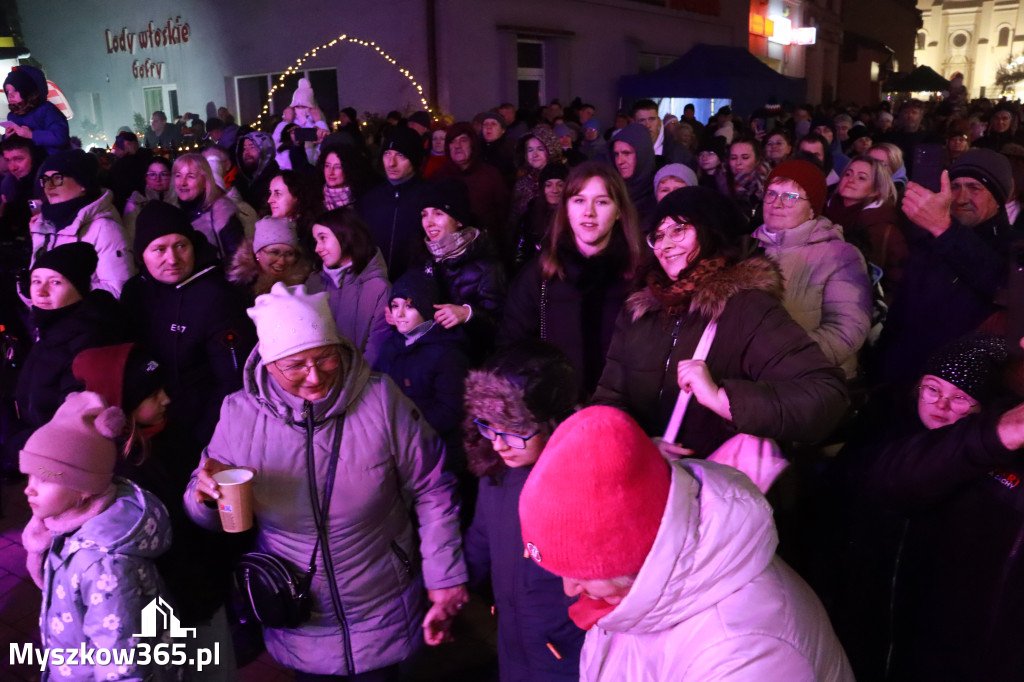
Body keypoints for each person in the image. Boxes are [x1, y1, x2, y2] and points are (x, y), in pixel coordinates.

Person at [185, 282, 469, 680]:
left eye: (325, 358)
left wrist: (445, 576)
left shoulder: (381, 401)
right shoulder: (239, 415)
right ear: (268, 365)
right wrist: (205, 499)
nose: (315, 377)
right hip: (299, 610)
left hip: (382, 601)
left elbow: (432, 487)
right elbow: (210, 507)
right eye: (296, 365)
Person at [517, 405, 854, 681]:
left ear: (633, 557)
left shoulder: (748, 656)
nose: (569, 589)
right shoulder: (638, 588)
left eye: (579, 570)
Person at [594, 186, 848, 454]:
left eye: (678, 230)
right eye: (657, 235)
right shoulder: (639, 310)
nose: (664, 245)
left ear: (710, 232)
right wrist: (640, 444)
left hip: (716, 481)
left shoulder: (746, 309)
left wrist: (721, 399)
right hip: (649, 477)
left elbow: (826, 397)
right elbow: (609, 399)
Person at [832, 333, 1024, 680]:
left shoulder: (983, 467)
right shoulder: (885, 432)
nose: (940, 405)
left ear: (984, 409)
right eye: (932, 389)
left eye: (961, 398)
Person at [20, 391, 176, 682]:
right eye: (29, 476)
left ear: (83, 487)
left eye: (44, 478)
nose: (29, 489)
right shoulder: (64, 528)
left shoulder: (103, 563)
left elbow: (119, 660)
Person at [461, 341, 585, 681]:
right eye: (489, 426)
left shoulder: (583, 485)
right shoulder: (496, 474)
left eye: (515, 431)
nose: (498, 443)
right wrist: (452, 592)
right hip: (514, 645)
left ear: (553, 420)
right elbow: (481, 540)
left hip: (567, 656)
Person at [120, 201, 256, 451]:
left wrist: (202, 438)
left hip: (198, 431)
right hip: (145, 428)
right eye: (159, 249)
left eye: (181, 246)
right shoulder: (134, 292)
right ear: (142, 254)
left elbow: (232, 380)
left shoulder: (217, 297)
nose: (172, 259)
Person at [500, 162, 643, 397]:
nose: (589, 212)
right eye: (579, 200)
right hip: (557, 412)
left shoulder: (639, 278)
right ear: (565, 208)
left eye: (602, 201)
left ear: (619, 211)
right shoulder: (541, 275)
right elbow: (511, 348)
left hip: (622, 411)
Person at [877, 148, 1018, 385]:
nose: (961, 198)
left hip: (960, 394)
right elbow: (900, 314)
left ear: (998, 198)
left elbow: (1003, 285)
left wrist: (945, 230)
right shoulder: (930, 243)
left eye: (975, 188)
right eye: (955, 186)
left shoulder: (1015, 246)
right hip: (903, 382)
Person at [752, 160, 873, 379]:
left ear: (811, 210)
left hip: (812, 380)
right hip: (751, 377)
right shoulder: (746, 248)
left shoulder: (841, 255)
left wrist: (783, 359)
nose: (776, 204)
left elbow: (846, 330)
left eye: (790, 197)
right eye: (771, 193)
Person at [13, 242, 122, 442]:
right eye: (36, 281)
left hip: (53, 454)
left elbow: (73, 425)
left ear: (79, 288)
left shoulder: (88, 339)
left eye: (55, 282)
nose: (41, 292)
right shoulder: (51, 328)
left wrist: (13, 443)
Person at [374, 270, 470, 456]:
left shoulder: (447, 352)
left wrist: (405, 428)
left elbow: (450, 410)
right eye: (395, 305)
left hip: (435, 451)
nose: (399, 314)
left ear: (426, 308)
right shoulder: (390, 346)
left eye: (409, 306)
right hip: (395, 445)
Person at [418, 178, 506, 359]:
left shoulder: (487, 266)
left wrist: (468, 313)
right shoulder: (423, 257)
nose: (429, 222)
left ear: (459, 220)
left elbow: (501, 327)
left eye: (438, 213)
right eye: (424, 214)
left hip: (470, 363)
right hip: (431, 359)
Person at [29, 149, 134, 297]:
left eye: (57, 178)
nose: (49, 186)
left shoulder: (104, 228)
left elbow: (118, 291)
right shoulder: (43, 225)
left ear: (82, 183)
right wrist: (27, 291)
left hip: (84, 319)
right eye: (45, 179)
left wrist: (59, 291)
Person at [305, 207, 391, 367]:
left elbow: (376, 350)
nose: (317, 248)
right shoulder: (313, 283)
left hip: (360, 383)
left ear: (345, 235)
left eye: (323, 238)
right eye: (316, 241)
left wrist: (352, 384)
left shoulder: (378, 288)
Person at [823, 154, 908, 298]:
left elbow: (899, 284)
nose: (851, 180)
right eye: (848, 174)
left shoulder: (884, 230)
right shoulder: (822, 214)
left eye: (861, 178)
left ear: (876, 190)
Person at [358, 125, 428, 279]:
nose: (391, 163)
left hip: (414, 288)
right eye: (387, 154)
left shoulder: (430, 197)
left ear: (414, 159)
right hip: (375, 284)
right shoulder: (370, 199)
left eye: (401, 155)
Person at [170, 152, 246, 264]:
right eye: (178, 175)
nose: (183, 183)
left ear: (205, 180)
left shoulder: (221, 211)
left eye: (191, 176)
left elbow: (238, 260)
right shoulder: (172, 213)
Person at [228, 216, 311, 301]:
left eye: (289, 254)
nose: (282, 261)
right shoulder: (237, 290)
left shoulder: (303, 286)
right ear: (257, 253)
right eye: (274, 252)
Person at [3, 65, 69, 156]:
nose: (10, 96)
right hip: (26, 165)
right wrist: (7, 137)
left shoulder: (46, 109)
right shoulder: (12, 116)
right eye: (8, 91)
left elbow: (60, 137)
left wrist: (31, 134)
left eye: (16, 90)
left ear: (26, 90)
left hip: (50, 162)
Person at [511, 126, 563, 220]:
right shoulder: (523, 183)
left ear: (551, 150)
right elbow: (515, 216)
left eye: (540, 149)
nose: (534, 155)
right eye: (530, 150)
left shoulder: (564, 178)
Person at [610, 123, 656, 224]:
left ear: (642, 154)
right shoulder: (612, 189)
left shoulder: (658, 193)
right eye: (616, 154)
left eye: (626, 153)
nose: (619, 161)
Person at [234, 131, 279, 209]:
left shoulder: (276, 181)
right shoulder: (243, 180)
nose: (246, 153)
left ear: (265, 149)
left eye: (252, 147)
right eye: (244, 148)